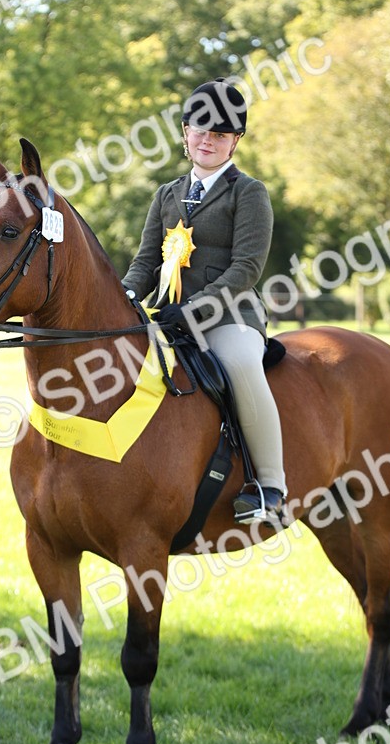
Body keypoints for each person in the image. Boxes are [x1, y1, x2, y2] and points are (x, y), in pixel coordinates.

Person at [122, 78, 286, 524]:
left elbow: (246, 268)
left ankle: (271, 485)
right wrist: (127, 295)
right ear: (185, 132)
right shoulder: (166, 194)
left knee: (240, 364)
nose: (208, 140)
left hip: (229, 317)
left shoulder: (248, 193)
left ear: (235, 141)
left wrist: (195, 310)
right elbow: (146, 261)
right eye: (200, 130)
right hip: (168, 315)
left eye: (220, 134)